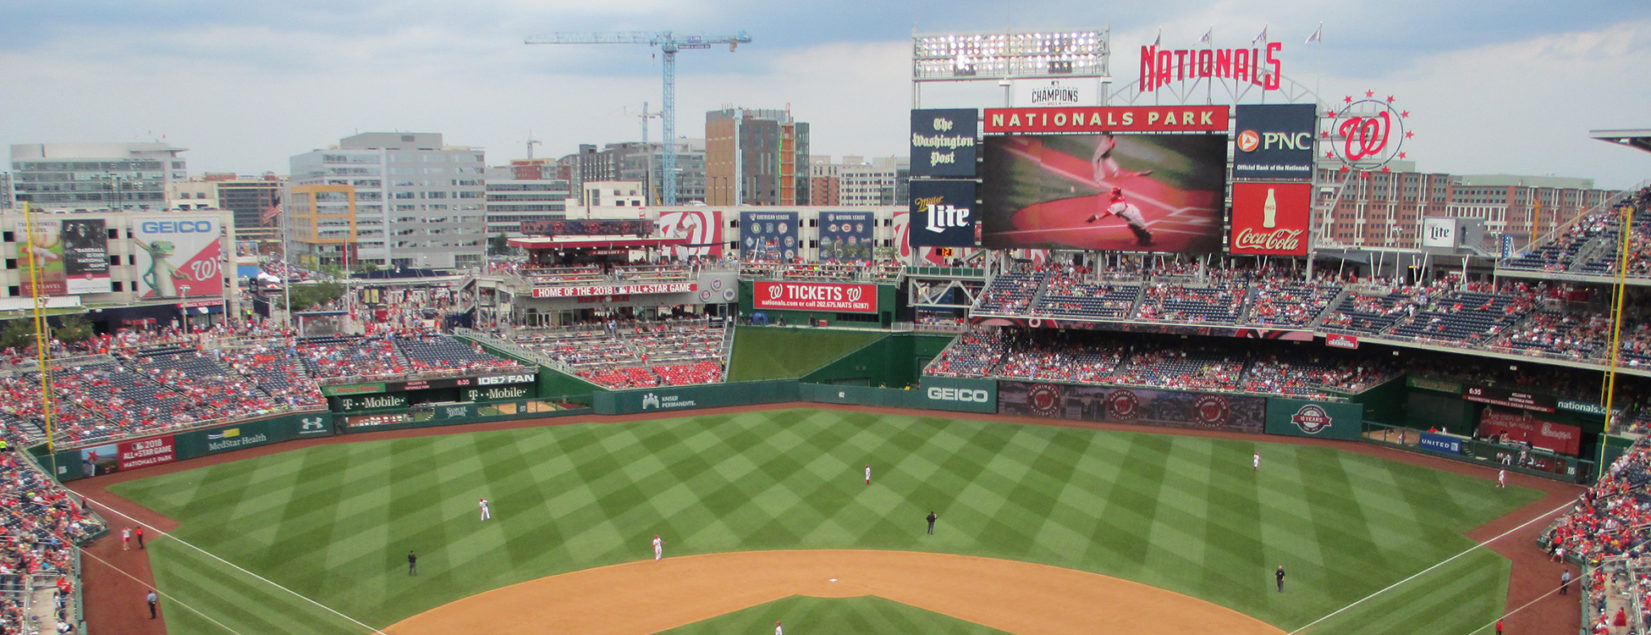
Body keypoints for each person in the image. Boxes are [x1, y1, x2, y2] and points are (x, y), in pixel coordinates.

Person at [1085, 188, 1153, 247]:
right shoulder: (1119, 197)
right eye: (1110, 192)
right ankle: (1140, 236)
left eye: (1112, 193)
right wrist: (1118, 213)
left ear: (1117, 195)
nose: (1109, 194)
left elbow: (1105, 214)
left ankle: (1147, 235)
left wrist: (1095, 217)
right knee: (1131, 225)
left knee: (1139, 228)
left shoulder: (1117, 205)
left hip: (1134, 216)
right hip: (1130, 210)